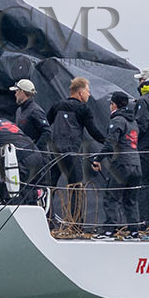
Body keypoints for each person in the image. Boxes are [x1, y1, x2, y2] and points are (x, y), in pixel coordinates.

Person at [44, 77, 106, 230]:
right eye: (88, 91)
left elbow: (45, 124)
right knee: (76, 188)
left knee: (49, 188)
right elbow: (93, 131)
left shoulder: (57, 106)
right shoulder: (84, 109)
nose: (89, 95)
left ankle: (46, 221)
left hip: (55, 152)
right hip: (72, 153)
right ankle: (76, 225)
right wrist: (109, 143)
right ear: (80, 92)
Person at [92, 92, 144, 239]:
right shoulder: (133, 122)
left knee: (111, 197)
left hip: (121, 164)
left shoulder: (118, 120)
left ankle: (109, 231)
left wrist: (97, 159)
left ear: (114, 105)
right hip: (136, 164)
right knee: (131, 200)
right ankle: (134, 232)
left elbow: (110, 144)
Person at [12, 79, 49, 146]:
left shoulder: (35, 111)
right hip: (23, 153)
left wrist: (36, 149)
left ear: (22, 92)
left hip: (37, 155)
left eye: (16, 91)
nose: (15, 94)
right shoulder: (19, 110)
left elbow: (47, 132)